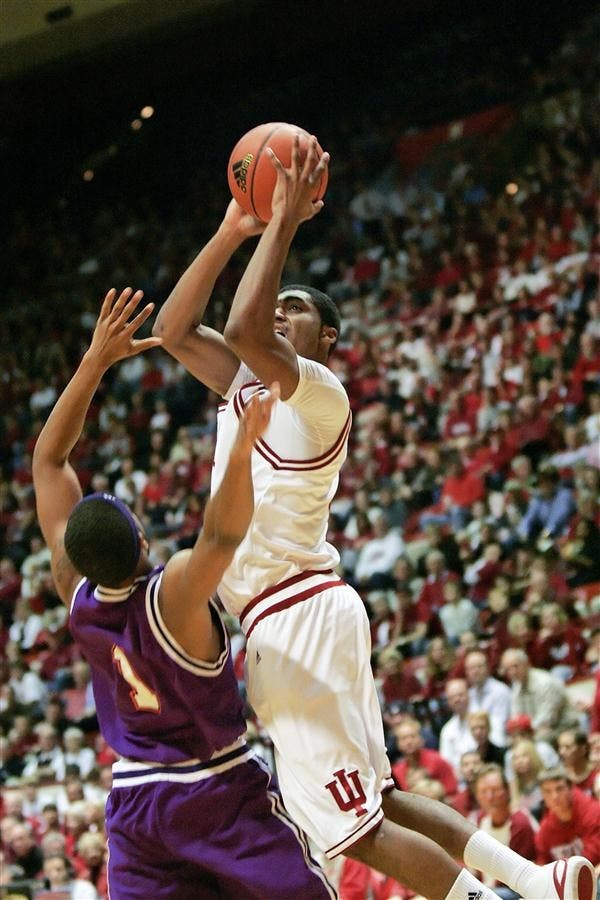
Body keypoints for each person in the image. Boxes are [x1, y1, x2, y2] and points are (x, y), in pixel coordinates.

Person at [154, 134, 596, 900]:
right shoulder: (244, 384)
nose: (280, 313)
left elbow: (249, 326)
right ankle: (540, 879)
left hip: (291, 618)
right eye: (281, 303)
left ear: (327, 341)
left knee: (354, 827)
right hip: (306, 613)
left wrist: (283, 222)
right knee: (380, 797)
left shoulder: (320, 394)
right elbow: (172, 329)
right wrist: (234, 229)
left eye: (298, 311)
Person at [32, 288, 332, 899]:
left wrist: (93, 362)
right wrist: (245, 443)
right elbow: (222, 533)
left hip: (136, 807)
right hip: (215, 789)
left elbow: (48, 462)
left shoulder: (77, 596)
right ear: (142, 539)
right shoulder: (171, 597)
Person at [472, 764, 538, 900]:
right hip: (489, 890)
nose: (489, 797)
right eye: (483, 792)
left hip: (516, 891)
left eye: (495, 790)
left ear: (507, 790)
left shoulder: (520, 823)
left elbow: (515, 877)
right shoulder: (480, 820)